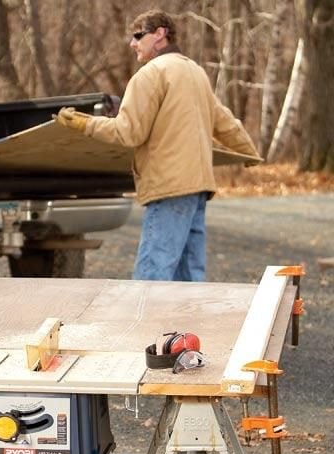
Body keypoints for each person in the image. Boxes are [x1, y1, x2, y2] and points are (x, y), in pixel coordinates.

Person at [54, 9, 260, 282]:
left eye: (138, 36)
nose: (132, 43)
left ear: (160, 34)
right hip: (197, 187)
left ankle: (149, 327)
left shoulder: (150, 75)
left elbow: (128, 133)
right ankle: (187, 326)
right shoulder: (194, 71)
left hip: (169, 187)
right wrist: (249, 151)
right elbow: (224, 121)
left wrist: (84, 124)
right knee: (189, 279)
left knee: (153, 278)